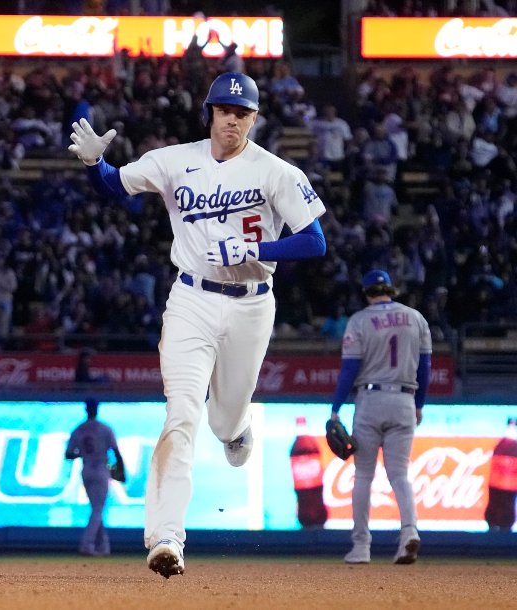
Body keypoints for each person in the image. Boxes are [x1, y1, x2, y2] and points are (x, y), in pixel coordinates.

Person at [68, 71, 328, 578]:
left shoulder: (276, 171)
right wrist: (95, 163)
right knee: (181, 414)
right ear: (209, 112)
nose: (232, 119)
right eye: (224, 110)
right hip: (190, 299)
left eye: (242, 112)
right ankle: (166, 537)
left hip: (252, 304)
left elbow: (314, 240)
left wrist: (256, 249)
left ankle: (235, 428)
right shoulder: (173, 160)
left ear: (254, 118)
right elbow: (116, 187)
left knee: (225, 417)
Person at [330, 270, 431, 566]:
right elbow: (425, 368)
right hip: (404, 399)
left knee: (363, 475)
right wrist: (419, 404)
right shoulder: (416, 318)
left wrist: (335, 408)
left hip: (371, 399)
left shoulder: (360, 320)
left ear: (366, 292)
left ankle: (361, 546)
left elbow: (349, 369)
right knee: (399, 474)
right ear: (390, 289)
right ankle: (409, 532)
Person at [65, 398, 125, 557]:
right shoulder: (104, 428)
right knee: (98, 509)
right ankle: (87, 544)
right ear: (96, 409)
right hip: (100, 469)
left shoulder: (79, 429)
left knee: (96, 509)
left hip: (87, 469)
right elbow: (116, 452)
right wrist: (121, 471)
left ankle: (104, 547)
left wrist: (82, 453)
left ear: (86, 410)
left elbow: (68, 454)